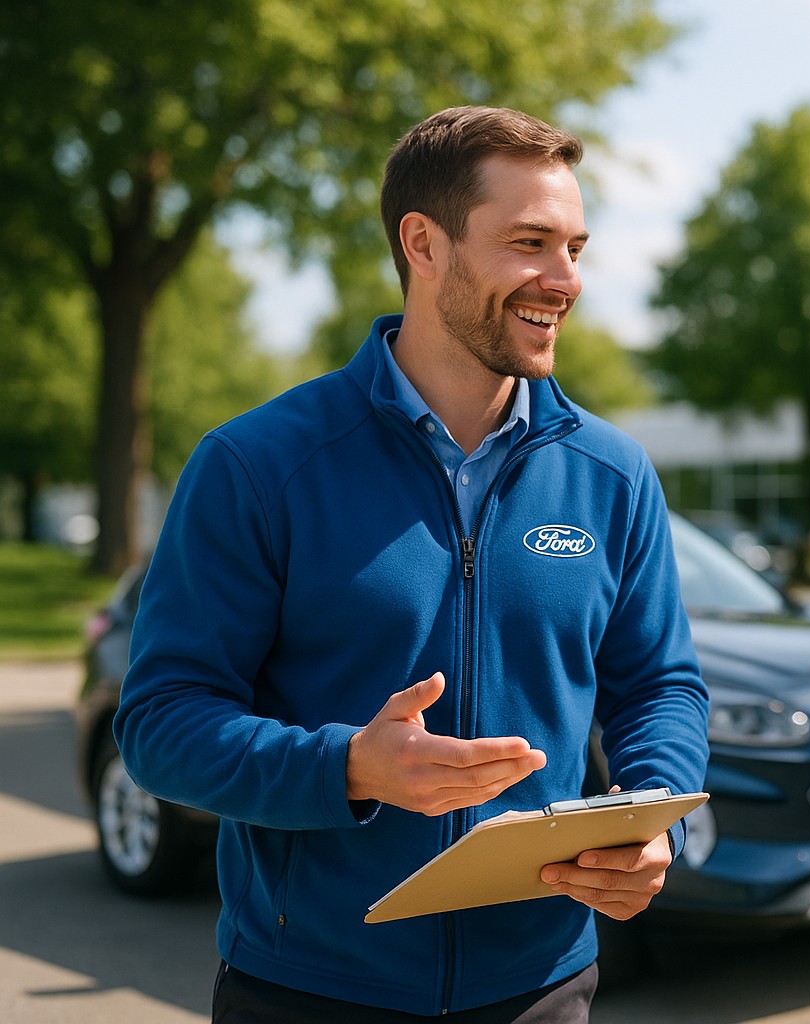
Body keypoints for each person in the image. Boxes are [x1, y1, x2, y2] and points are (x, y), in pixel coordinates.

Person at [115, 106, 710, 1022]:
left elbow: (660, 685)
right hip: (309, 988)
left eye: (575, 248)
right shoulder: (258, 464)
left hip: (541, 986)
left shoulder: (613, 473)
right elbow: (161, 724)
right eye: (530, 243)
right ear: (424, 245)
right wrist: (350, 766)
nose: (565, 280)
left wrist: (652, 811)